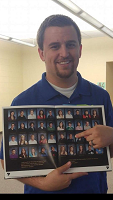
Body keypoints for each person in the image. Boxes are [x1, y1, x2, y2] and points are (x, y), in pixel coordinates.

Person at [0, 14, 113, 194]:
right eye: (55, 46)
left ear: (80, 49)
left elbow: (108, 152)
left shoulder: (101, 96)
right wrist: (43, 184)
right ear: (41, 53)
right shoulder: (21, 102)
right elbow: (7, 161)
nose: (64, 53)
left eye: (71, 44)